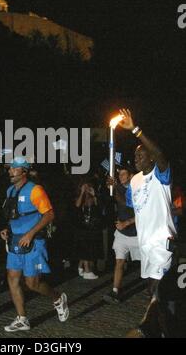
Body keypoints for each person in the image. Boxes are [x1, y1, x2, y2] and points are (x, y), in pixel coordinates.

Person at [0, 156, 69, 332]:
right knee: (12, 278)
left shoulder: (35, 190)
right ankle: (22, 318)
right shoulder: (9, 191)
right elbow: (14, 216)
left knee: (32, 283)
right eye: (10, 168)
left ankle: (57, 298)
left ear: (24, 171)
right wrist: (7, 229)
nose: (10, 171)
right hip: (15, 241)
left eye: (14, 168)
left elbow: (49, 215)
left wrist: (30, 234)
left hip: (33, 242)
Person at [117, 108, 176, 298]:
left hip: (161, 240)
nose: (136, 160)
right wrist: (113, 190)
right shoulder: (134, 181)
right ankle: (158, 324)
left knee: (158, 289)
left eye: (141, 156)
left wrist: (135, 130)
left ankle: (151, 325)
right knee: (151, 289)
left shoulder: (161, 176)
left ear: (150, 157)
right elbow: (131, 205)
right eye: (135, 157)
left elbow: (160, 154)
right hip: (144, 241)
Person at [103, 166, 140, 303]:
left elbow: (138, 211)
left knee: (146, 264)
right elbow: (111, 196)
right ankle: (115, 291)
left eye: (124, 174)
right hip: (122, 234)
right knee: (119, 261)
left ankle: (154, 291)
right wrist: (109, 186)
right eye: (120, 174)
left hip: (137, 234)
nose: (121, 176)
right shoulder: (117, 188)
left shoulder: (138, 190)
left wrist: (127, 223)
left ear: (131, 176)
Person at [75, 178, 103, 280]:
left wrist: (94, 194)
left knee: (89, 247)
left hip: (93, 226)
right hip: (82, 226)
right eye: (85, 187)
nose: (87, 189)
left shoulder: (94, 197)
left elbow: (100, 207)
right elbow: (77, 205)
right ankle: (87, 270)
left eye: (88, 187)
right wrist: (82, 193)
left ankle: (80, 266)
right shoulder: (80, 197)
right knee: (85, 247)